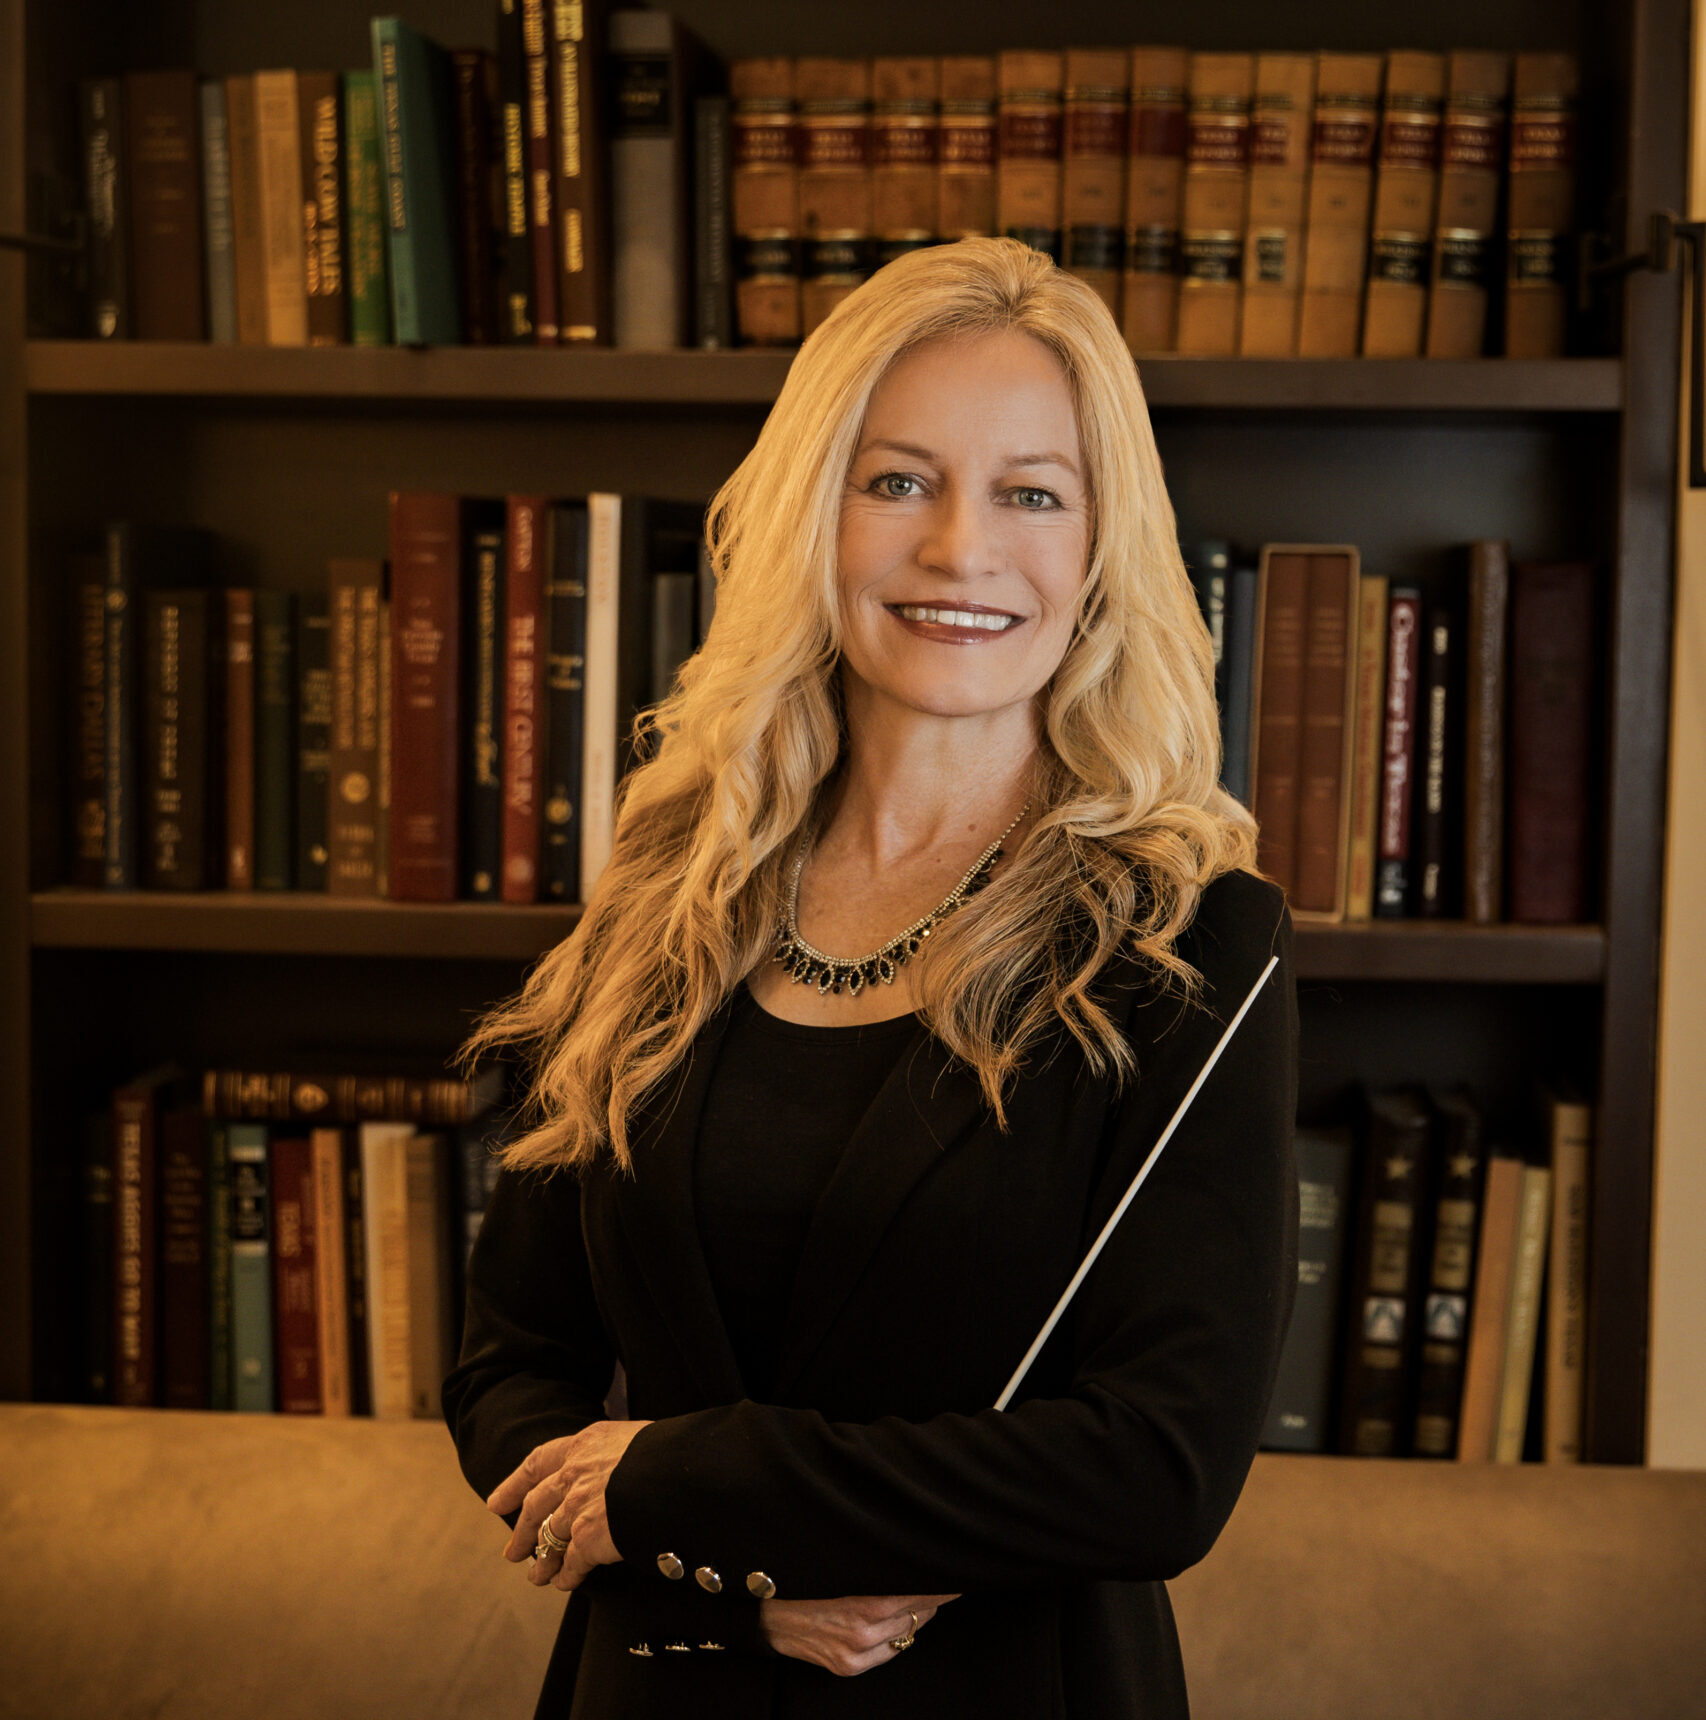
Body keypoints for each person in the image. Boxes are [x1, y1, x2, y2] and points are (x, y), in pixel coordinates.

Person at [443, 236, 1299, 1720]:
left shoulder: (1183, 938)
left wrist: (699, 1485)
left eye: (1031, 492)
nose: (960, 549)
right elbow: (512, 1370)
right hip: (662, 1688)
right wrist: (724, 1581)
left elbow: (1158, 1470)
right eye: (895, 479)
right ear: (806, 515)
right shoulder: (665, 889)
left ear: (1100, 546)